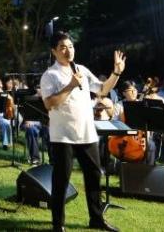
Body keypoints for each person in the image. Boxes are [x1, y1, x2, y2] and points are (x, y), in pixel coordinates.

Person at [41, 31, 124, 232]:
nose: (68, 50)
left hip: (87, 133)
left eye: (70, 46)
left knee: (94, 175)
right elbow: (50, 103)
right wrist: (70, 86)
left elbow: (102, 89)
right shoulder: (50, 75)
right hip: (63, 136)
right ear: (54, 51)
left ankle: (96, 219)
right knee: (61, 180)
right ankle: (58, 224)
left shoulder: (82, 70)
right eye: (62, 47)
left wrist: (116, 73)